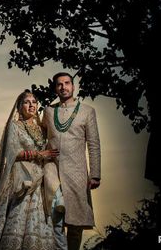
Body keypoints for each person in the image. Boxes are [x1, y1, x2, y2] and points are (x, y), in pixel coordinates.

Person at [0, 90, 60, 250]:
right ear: (19, 107)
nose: (31, 105)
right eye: (27, 102)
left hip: (40, 181)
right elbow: (12, 152)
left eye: (34, 102)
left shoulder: (41, 129)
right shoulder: (14, 126)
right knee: (16, 219)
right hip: (20, 180)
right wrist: (39, 154)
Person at [42, 72, 101, 250]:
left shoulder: (87, 111)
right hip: (52, 168)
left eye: (67, 83)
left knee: (76, 222)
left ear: (73, 86)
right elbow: (39, 137)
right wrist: (40, 154)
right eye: (59, 84)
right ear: (55, 88)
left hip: (77, 172)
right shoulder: (49, 111)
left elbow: (93, 144)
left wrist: (96, 174)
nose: (63, 87)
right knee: (55, 212)